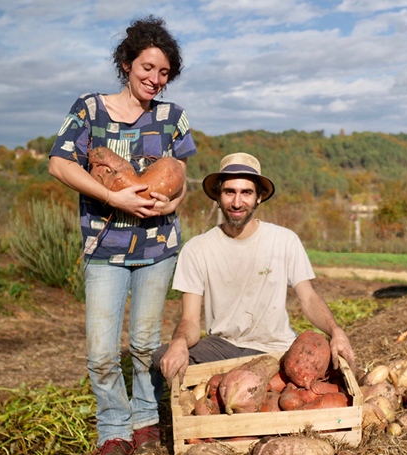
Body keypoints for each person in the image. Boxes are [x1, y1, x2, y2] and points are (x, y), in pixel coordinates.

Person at [48, 16, 197, 455]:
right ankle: (114, 428)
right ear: (127, 64)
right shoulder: (90, 109)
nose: (155, 79)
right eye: (147, 68)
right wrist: (113, 196)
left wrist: (172, 206)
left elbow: (181, 175)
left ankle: (146, 421)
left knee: (146, 343)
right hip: (104, 248)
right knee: (100, 349)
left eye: (164, 73)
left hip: (156, 249)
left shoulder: (172, 117)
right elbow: (59, 164)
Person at [153, 152, 357, 389]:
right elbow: (189, 319)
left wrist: (336, 330)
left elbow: (308, 297)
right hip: (223, 349)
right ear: (218, 197)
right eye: (229, 192)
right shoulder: (197, 249)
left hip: (276, 350)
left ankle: (241, 383)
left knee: (333, 368)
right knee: (162, 357)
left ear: (259, 197)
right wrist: (178, 341)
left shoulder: (284, 240)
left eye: (246, 193)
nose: (237, 202)